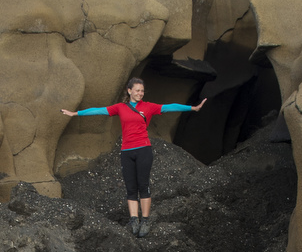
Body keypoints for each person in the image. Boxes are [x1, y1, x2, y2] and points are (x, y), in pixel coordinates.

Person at [62, 77, 206, 235]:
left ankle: (145, 220)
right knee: (131, 188)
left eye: (142, 91)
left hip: (143, 149)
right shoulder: (120, 107)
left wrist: (193, 108)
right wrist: (75, 113)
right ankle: (133, 220)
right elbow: (99, 110)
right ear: (129, 91)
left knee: (143, 186)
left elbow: (170, 107)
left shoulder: (149, 107)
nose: (140, 93)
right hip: (126, 151)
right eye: (137, 90)